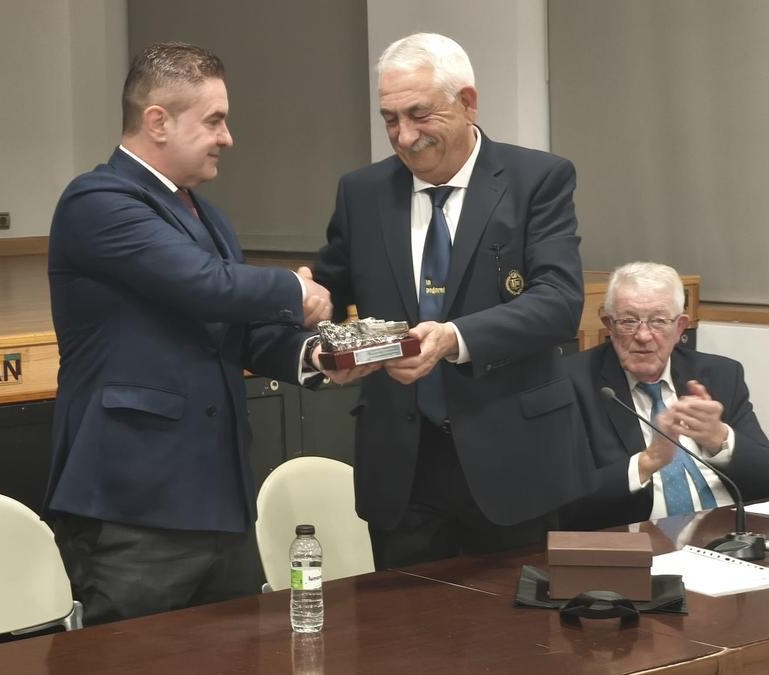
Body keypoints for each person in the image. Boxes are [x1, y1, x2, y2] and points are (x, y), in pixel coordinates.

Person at [44, 41, 333, 625]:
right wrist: (294, 290)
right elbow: (204, 284)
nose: (228, 137)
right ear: (157, 121)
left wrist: (319, 356)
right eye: (215, 120)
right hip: (134, 507)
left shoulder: (206, 215)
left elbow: (237, 329)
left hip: (218, 503)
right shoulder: (97, 201)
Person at [312, 32, 594, 569]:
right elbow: (329, 292)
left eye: (419, 114)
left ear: (468, 102)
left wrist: (454, 338)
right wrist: (301, 301)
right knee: (405, 641)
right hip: (403, 467)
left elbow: (558, 301)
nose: (404, 135)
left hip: (513, 460)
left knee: (517, 640)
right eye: (390, 119)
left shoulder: (537, 179)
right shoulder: (362, 192)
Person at [560, 262, 769, 530]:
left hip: (731, 535)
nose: (643, 335)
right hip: (639, 547)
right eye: (628, 321)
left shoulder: (720, 374)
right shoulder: (571, 383)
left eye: (658, 321)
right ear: (609, 325)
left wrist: (719, 438)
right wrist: (649, 460)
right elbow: (561, 501)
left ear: (680, 326)